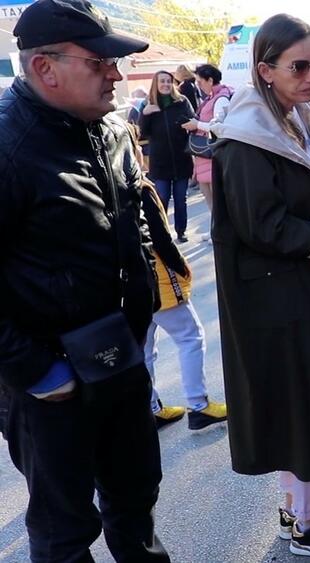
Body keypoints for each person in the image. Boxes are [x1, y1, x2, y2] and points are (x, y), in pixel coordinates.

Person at [0, 1, 170, 560]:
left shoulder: (112, 130)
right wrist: (37, 371)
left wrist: (139, 319)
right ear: (45, 68)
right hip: (48, 382)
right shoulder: (8, 147)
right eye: (100, 63)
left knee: (135, 499)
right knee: (66, 532)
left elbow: (134, 225)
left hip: (118, 357)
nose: (116, 76)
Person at [211, 13, 310, 560]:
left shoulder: (286, 117)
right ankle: (306, 527)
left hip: (288, 286)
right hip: (272, 295)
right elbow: (263, 226)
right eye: (299, 66)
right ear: (265, 70)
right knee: (302, 403)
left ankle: (297, 513)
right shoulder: (248, 135)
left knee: (295, 400)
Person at [137, 166, 227, 430]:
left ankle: (151, 407)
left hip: (132, 279)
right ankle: (198, 405)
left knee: (145, 347)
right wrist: (180, 265)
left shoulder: (106, 185)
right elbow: (159, 234)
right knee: (191, 336)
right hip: (158, 275)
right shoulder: (140, 186)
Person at [140, 70, 195, 243]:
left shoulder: (181, 101)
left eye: (168, 81)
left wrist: (188, 124)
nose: (165, 84)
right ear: (155, 84)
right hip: (160, 162)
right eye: (162, 81)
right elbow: (142, 133)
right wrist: (146, 114)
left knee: (180, 199)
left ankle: (181, 231)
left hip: (181, 160)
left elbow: (193, 120)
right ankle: (161, 233)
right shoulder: (148, 104)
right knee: (161, 199)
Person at [181, 63, 232, 241]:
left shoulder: (221, 99)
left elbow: (221, 127)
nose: (198, 85)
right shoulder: (213, 97)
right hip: (206, 155)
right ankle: (216, 231)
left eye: (200, 81)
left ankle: (222, 233)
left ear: (210, 80)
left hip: (213, 154)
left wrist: (197, 125)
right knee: (209, 197)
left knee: (217, 199)